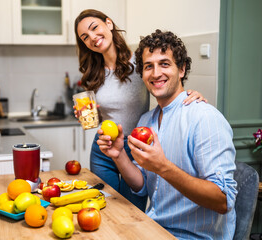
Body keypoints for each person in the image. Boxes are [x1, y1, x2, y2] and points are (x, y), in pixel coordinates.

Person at [97, 29, 237, 239]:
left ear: (181, 69)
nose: (155, 73)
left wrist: (163, 166)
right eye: (148, 66)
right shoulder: (146, 121)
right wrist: (119, 155)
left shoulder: (205, 118)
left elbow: (223, 201)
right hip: (154, 229)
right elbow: (142, 185)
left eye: (164, 64)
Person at [74, 9, 207, 211]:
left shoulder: (140, 64)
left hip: (137, 146)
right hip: (105, 148)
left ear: (108, 23)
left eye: (95, 28)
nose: (92, 37)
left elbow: (164, 82)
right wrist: (88, 115)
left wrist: (189, 94)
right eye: (85, 37)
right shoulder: (93, 72)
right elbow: (106, 113)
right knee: (104, 208)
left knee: (131, 211)